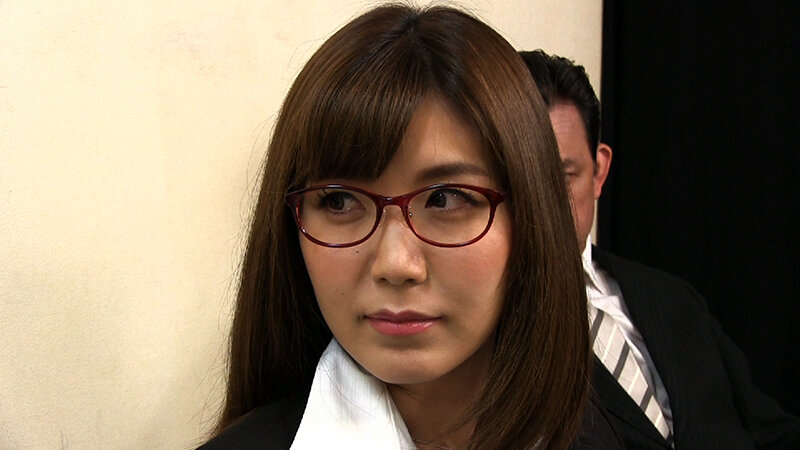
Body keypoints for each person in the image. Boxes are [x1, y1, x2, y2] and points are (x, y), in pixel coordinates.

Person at [199, 5, 615, 449]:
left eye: (446, 198)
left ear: (532, 216)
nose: (396, 265)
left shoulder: (609, 431)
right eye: (339, 201)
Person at [519, 49, 800, 449]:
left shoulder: (673, 298)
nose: (545, 200)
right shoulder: (487, 332)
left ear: (599, 171)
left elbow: (772, 430)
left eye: (563, 176)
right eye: (528, 177)